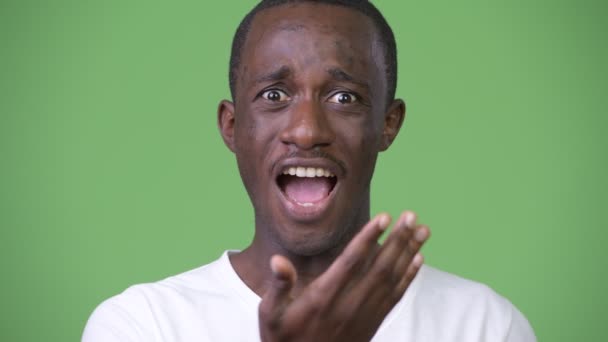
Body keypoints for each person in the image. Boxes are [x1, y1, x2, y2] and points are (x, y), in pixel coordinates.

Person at [83, 1, 536, 341]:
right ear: (233, 126)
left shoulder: (485, 326)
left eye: (344, 98)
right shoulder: (143, 324)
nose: (305, 130)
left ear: (387, 124)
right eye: (275, 95)